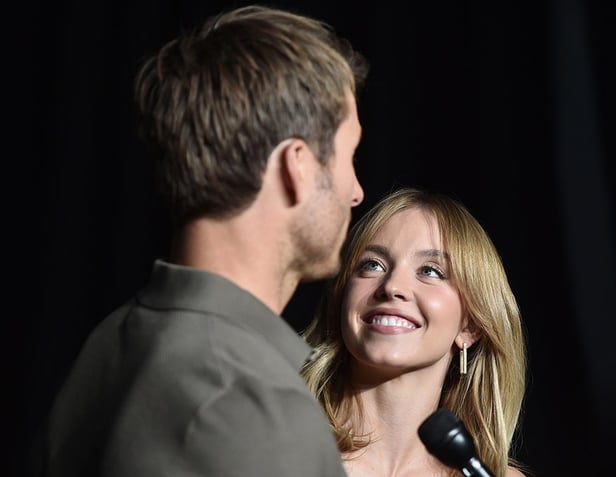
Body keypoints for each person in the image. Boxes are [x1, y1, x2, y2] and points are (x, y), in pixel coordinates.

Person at [31, 4, 368, 476]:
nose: (356, 191)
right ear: (297, 166)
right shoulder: (255, 406)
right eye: (348, 156)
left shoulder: (108, 345)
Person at [301, 187, 530, 477]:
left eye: (431, 271)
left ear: (470, 325)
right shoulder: (269, 446)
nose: (392, 287)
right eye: (373, 265)